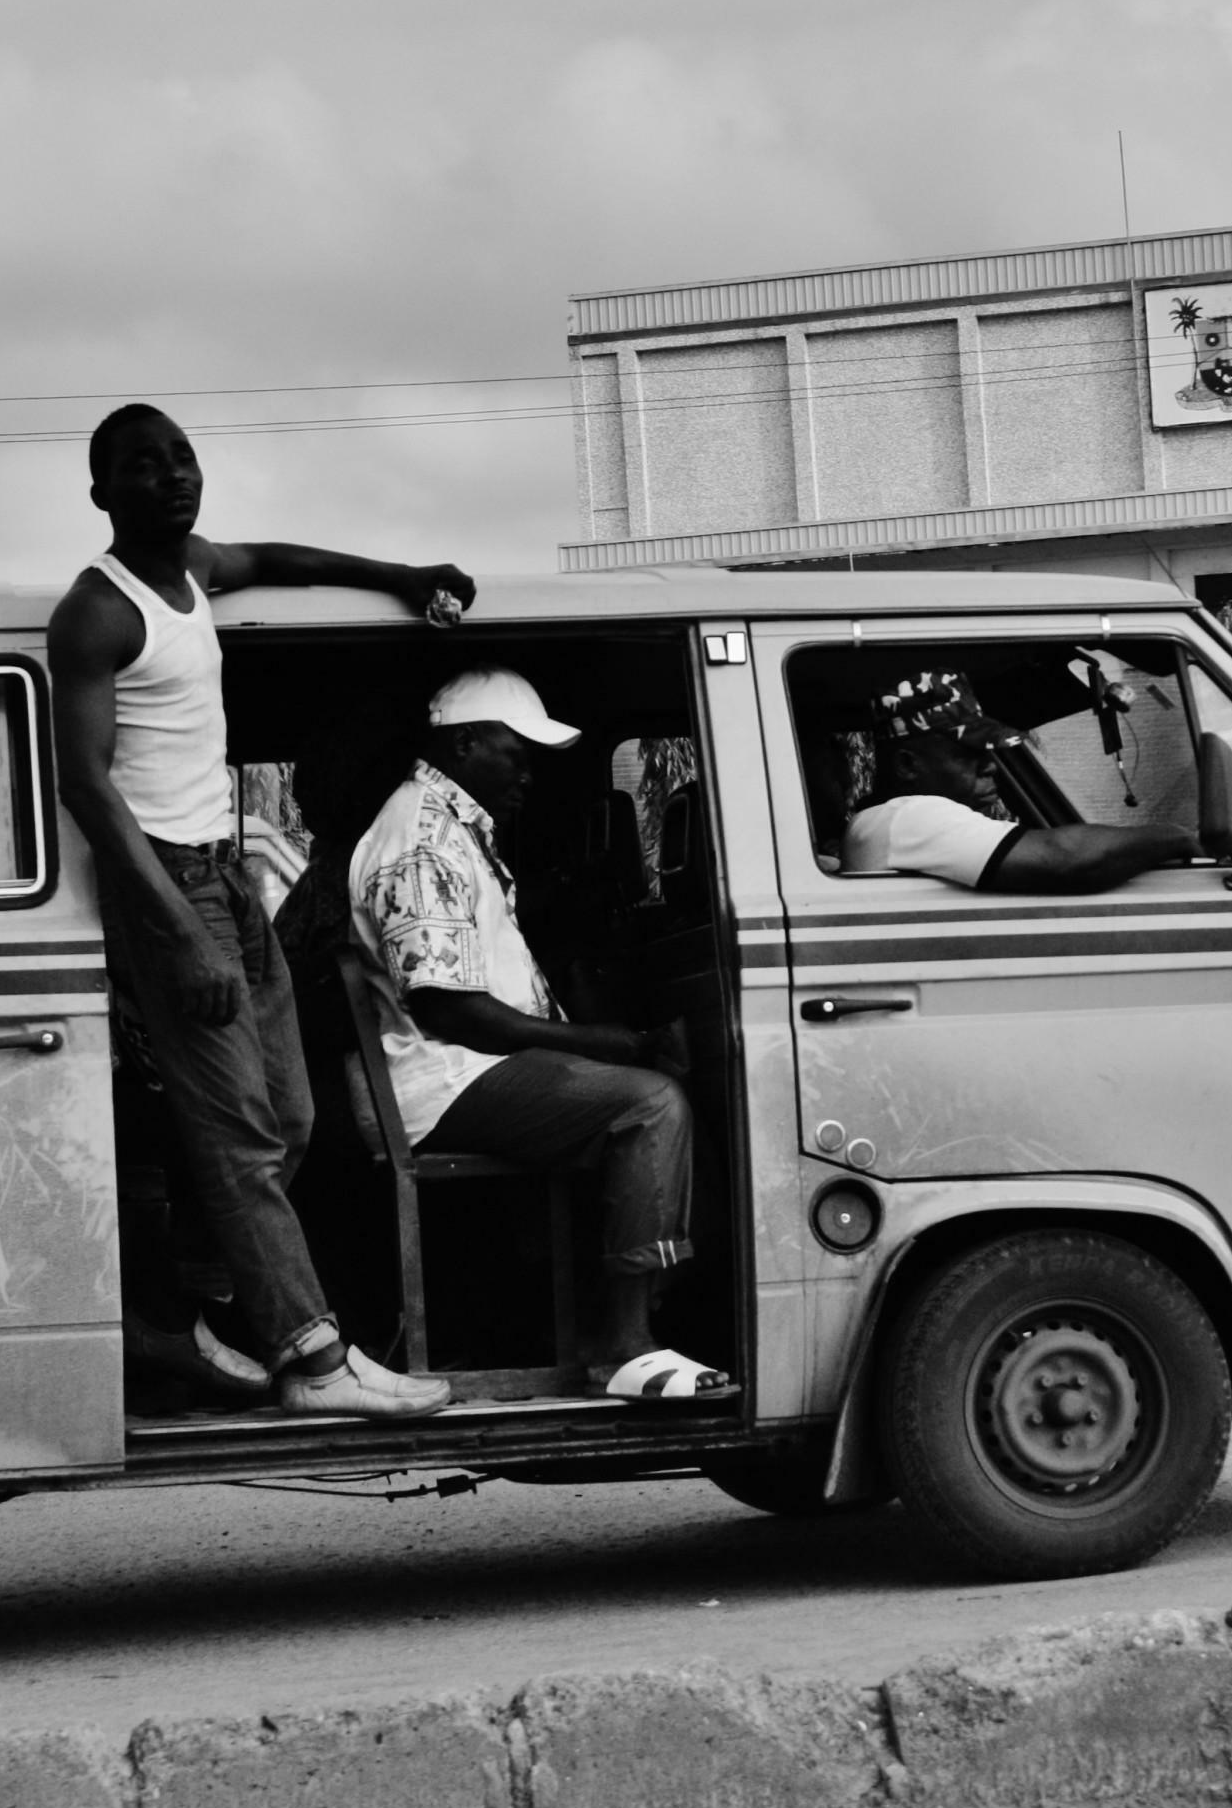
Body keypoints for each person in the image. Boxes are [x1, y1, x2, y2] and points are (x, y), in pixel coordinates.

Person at [50, 403, 472, 1421]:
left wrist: (402, 576)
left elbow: (277, 558)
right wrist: (177, 932)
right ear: (102, 492)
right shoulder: (97, 612)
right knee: (241, 1135)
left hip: (228, 873)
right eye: (142, 466)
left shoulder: (194, 572)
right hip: (167, 886)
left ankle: (192, 1306)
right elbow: (87, 788)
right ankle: (316, 1358)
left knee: (288, 1115)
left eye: (182, 458)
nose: (171, 476)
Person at [348, 667, 726, 1401]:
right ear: (464, 743)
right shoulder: (422, 840)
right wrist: (610, 1044)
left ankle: (662, 1313)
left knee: (660, 1094)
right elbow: (452, 1012)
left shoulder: (451, 826)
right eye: (516, 753)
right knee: (648, 1104)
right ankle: (624, 1346)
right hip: (447, 1076)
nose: (528, 773)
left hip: (470, 1067)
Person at [840, 668, 1210, 894]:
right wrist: (1178, 838)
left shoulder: (881, 824)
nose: (991, 767)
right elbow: (1065, 858)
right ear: (907, 765)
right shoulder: (906, 818)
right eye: (969, 753)